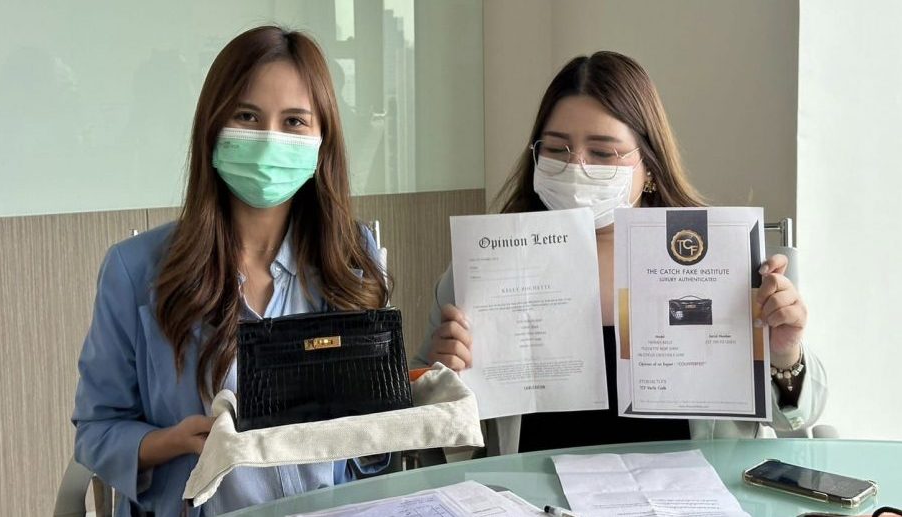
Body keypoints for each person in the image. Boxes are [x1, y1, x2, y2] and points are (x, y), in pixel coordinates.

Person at [415, 51, 826, 455]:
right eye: (556, 149)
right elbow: (425, 425)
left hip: (691, 489)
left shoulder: (720, 262)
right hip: (533, 491)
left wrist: (784, 353)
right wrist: (444, 376)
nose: (576, 166)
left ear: (649, 166)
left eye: (602, 152)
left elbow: (794, 419)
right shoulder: (483, 267)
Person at [72, 27, 390, 517]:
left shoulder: (352, 258)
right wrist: (172, 442)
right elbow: (96, 431)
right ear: (213, 127)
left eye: (294, 121)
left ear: (322, 140)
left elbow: (373, 447)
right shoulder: (134, 271)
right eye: (247, 117)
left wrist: (411, 390)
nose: (269, 140)